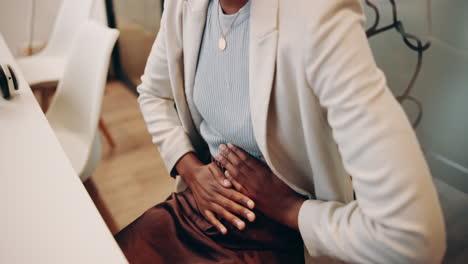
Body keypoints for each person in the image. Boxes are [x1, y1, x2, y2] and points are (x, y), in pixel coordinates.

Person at [115, 0, 447, 263]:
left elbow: (413, 238)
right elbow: (153, 93)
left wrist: (288, 207)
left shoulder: (316, 15)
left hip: (278, 231)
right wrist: (193, 170)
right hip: (200, 203)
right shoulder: (186, 5)